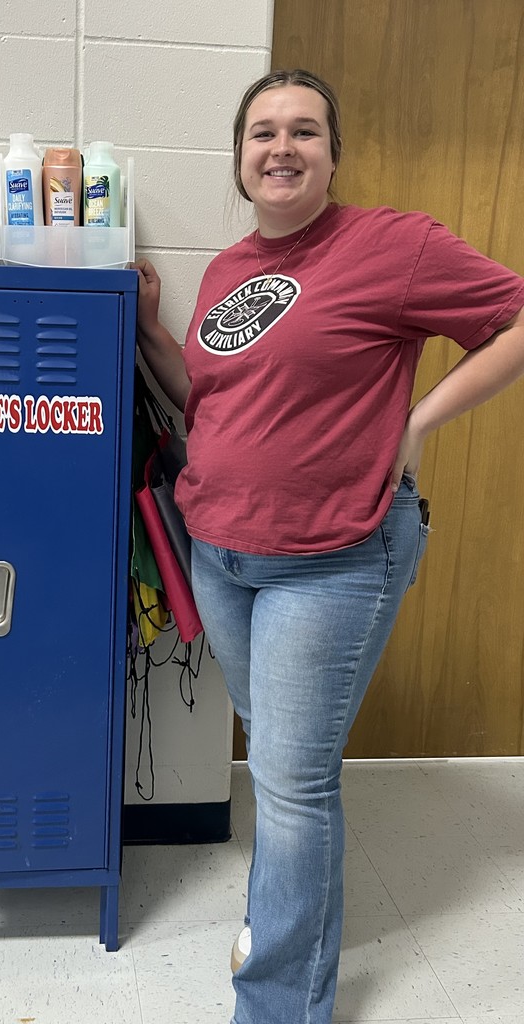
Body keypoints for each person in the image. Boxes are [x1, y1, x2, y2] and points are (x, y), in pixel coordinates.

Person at [133, 68, 524, 1024]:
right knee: (274, 756)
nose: (282, 147)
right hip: (221, 552)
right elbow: (214, 399)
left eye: (305, 131)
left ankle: (276, 1006)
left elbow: (514, 320)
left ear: (333, 155)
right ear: (238, 159)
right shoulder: (228, 271)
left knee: (296, 784)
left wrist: (419, 422)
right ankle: (283, 923)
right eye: (263, 132)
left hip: (337, 554)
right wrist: (150, 334)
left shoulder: (392, 246)